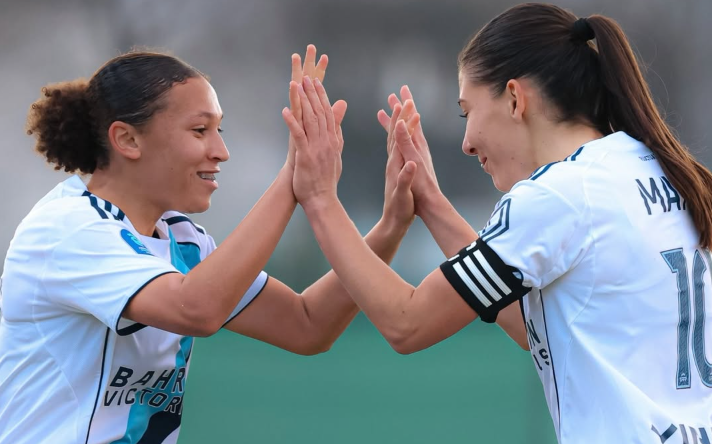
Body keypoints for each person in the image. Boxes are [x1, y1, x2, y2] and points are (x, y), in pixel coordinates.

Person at [282, 4, 712, 443]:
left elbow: (407, 322)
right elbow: (536, 328)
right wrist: (431, 202)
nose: (466, 143)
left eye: (466, 112)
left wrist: (319, 198)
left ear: (514, 99)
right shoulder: (663, 172)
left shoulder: (558, 195)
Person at [0, 46, 418, 444]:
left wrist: (390, 228)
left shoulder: (183, 239)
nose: (221, 151)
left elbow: (307, 325)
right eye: (200, 130)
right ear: (127, 140)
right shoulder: (69, 228)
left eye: (220, 129)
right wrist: (294, 177)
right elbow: (196, 309)